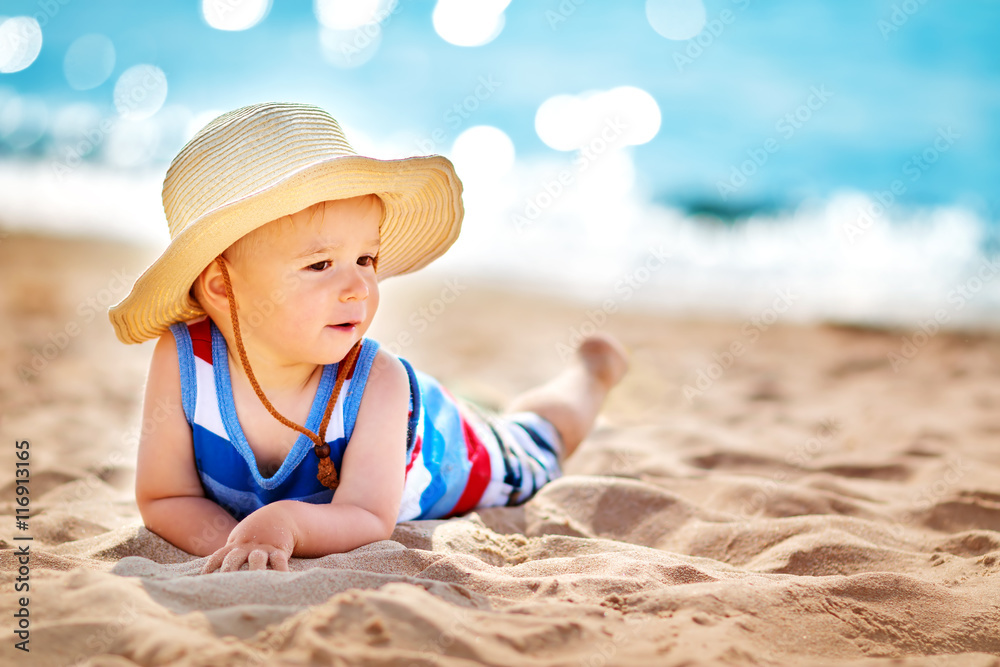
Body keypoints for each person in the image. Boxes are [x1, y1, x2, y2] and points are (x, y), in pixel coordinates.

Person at [109, 102, 628, 573]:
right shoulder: (183, 360)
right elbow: (164, 497)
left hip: (457, 452)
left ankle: (590, 375)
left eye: (366, 259)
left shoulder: (375, 379)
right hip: (399, 420)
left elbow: (366, 515)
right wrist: (238, 544)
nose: (360, 286)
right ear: (222, 286)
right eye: (320, 264)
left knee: (537, 436)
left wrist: (283, 526)